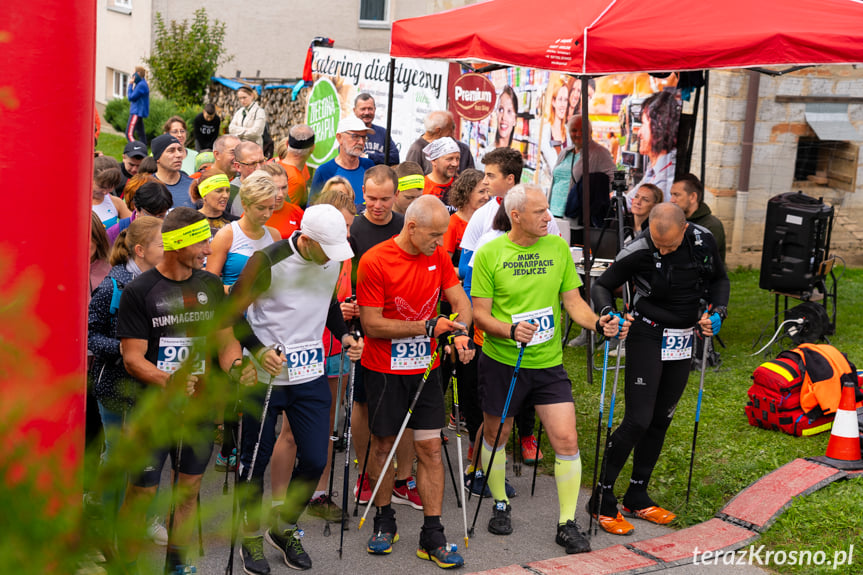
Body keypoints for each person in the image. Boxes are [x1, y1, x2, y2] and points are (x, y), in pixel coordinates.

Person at [471, 183, 625, 554]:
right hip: (504, 361)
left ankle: (566, 522)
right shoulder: (490, 253)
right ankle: (500, 503)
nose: (548, 217)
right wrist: (509, 330)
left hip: (547, 363)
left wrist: (598, 324)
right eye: (540, 211)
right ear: (517, 215)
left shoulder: (557, 248)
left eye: (547, 210)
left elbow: (573, 302)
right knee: (497, 434)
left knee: (566, 439)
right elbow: (479, 313)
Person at [116, 207, 254, 573]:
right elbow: (132, 358)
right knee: (143, 491)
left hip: (197, 410)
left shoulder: (208, 285)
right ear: (177, 244)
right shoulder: (140, 290)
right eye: (202, 241)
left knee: (189, 489)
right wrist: (167, 380)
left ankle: (176, 565)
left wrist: (238, 368)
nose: (208, 249)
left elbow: (225, 341)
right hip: (153, 411)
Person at [226, 203, 361, 574]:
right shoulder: (267, 261)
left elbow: (328, 304)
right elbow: (231, 314)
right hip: (265, 376)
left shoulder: (329, 260)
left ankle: (282, 526)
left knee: (316, 458)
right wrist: (257, 350)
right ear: (307, 239)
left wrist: (346, 336)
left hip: (309, 373)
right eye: (328, 250)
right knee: (255, 461)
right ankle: (250, 533)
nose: (333, 259)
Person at [589, 203, 729, 536]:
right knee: (638, 419)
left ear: (684, 228)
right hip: (647, 332)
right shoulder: (638, 249)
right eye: (657, 243)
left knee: (661, 417)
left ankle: (637, 494)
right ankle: (601, 498)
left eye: (669, 245)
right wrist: (609, 313)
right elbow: (600, 285)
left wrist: (719, 311)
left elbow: (721, 280)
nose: (662, 250)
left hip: (683, 337)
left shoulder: (703, 240)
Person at [357, 194, 473, 569]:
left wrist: (460, 332)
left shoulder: (437, 256)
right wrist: (426, 326)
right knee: (383, 446)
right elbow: (371, 324)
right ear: (411, 227)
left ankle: (433, 533)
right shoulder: (375, 261)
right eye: (434, 235)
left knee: (431, 450)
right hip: (385, 371)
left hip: (426, 369)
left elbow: (460, 301)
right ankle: (384, 518)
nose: (440, 242)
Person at [458, 147, 560, 466]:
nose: (485, 182)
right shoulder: (482, 215)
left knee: (529, 375)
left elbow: (554, 261)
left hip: (530, 313)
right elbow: (465, 267)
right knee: (487, 385)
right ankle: (481, 446)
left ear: (509, 179)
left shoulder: (544, 217)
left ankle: (526, 434)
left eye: (490, 175)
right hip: (490, 313)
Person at [88, 216, 164, 522]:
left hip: (153, 383)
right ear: (140, 250)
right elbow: (90, 333)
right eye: (162, 243)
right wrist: (122, 349)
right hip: (116, 385)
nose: (168, 248)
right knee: (117, 455)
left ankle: (142, 522)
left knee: (149, 456)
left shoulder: (165, 280)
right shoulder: (114, 284)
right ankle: (107, 520)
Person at [346, 166, 409, 507]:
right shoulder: (354, 228)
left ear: (396, 196)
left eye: (385, 198)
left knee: (407, 405)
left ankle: (403, 476)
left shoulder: (404, 226)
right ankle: (366, 472)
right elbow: (341, 276)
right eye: (370, 198)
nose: (377, 205)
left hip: (403, 326)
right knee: (363, 403)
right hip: (365, 326)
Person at [206, 171, 280, 288]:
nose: (267, 214)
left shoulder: (275, 235)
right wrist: (235, 290)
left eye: (271, 208)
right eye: (260, 208)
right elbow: (209, 285)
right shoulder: (226, 235)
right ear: (244, 204)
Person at [549, 115, 616, 219]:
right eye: (574, 130)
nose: (578, 134)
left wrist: (590, 196)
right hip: (553, 213)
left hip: (575, 216)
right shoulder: (565, 152)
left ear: (590, 132)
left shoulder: (600, 153)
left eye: (582, 130)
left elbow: (613, 179)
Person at [309, 116, 375, 210]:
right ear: (339, 138)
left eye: (364, 137)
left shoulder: (369, 166)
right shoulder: (325, 171)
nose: (361, 142)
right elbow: (312, 209)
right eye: (355, 136)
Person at [626, 91, 680, 205]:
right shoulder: (654, 168)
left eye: (643, 124)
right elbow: (631, 200)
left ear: (658, 128)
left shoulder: (667, 176)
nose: (639, 133)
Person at [670, 173, 726, 265]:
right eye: (671, 194)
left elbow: (700, 259)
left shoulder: (711, 226)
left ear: (692, 197)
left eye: (676, 195)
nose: (672, 200)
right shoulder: (675, 221)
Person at [444, 168, 489, 269]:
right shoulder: (452, 224)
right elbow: (444, 267)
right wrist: (467, 273)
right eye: (481, 192)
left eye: (487, 191)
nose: (486, 197)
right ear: (466, 193)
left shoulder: (488, 221)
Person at [406, 111, 475, 175]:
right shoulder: (417, 149)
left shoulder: (462, 149)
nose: (453, 132)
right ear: (438, 131)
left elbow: (471, 177)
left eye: (457, 159)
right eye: (450, 129)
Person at [107, 180, 173, 245]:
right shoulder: (115, 233)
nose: (155, 221)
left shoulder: (171, 231)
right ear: (136, 207)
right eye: (150, 216)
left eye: (161, 216)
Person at [275, 125, 315, 207]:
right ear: (312, 149)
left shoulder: (274, 166)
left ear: (287, 144)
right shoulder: (296, 181)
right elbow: (286, 214)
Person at [151, 133, 195, 209]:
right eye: (171, 151)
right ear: (158, 158)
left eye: (180, 150)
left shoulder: (193, 185)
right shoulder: (147, 186)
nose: (179, 155)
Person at [261, 162, 304, 239]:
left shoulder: (298, 213)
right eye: (275, 188)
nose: (280, 194)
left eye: (284, 187)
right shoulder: (252, 214)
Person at [189, 169, 238, 235]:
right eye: (219, 191)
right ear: (204, 194)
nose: (225, 195)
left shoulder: (235, 224)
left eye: (227, 190)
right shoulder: (189, 223)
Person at [355, 93, 399, 165]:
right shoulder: (349, 132)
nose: (367, 112)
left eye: (370, 109)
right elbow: (348, 157)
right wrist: (381, 158)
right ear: (354, 110)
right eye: (363, 109)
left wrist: (368, 156)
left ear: (375, 109)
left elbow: (395, 158)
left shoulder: (383, 133)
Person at [229, 141, 267, 216]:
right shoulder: (229, 193)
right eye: (252, 164)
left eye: (262, 161)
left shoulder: (276, 188)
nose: (259, 168)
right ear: (238, 166)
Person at [423, 137, 460, 210]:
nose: (455, 164)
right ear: (433, 160)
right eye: (450, 159)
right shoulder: (422, 187)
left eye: (457, 159)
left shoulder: (461, 185)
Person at [126, 66, 149, 144]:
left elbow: (131, 97)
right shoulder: (141, 83)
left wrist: (130, 85)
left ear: (138, 73)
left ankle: (136, 149)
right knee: (141, 134)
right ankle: (144, 152)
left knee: (129, 134)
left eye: (134, 72)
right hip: (139, 112)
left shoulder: (141, 85)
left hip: (136, 112)